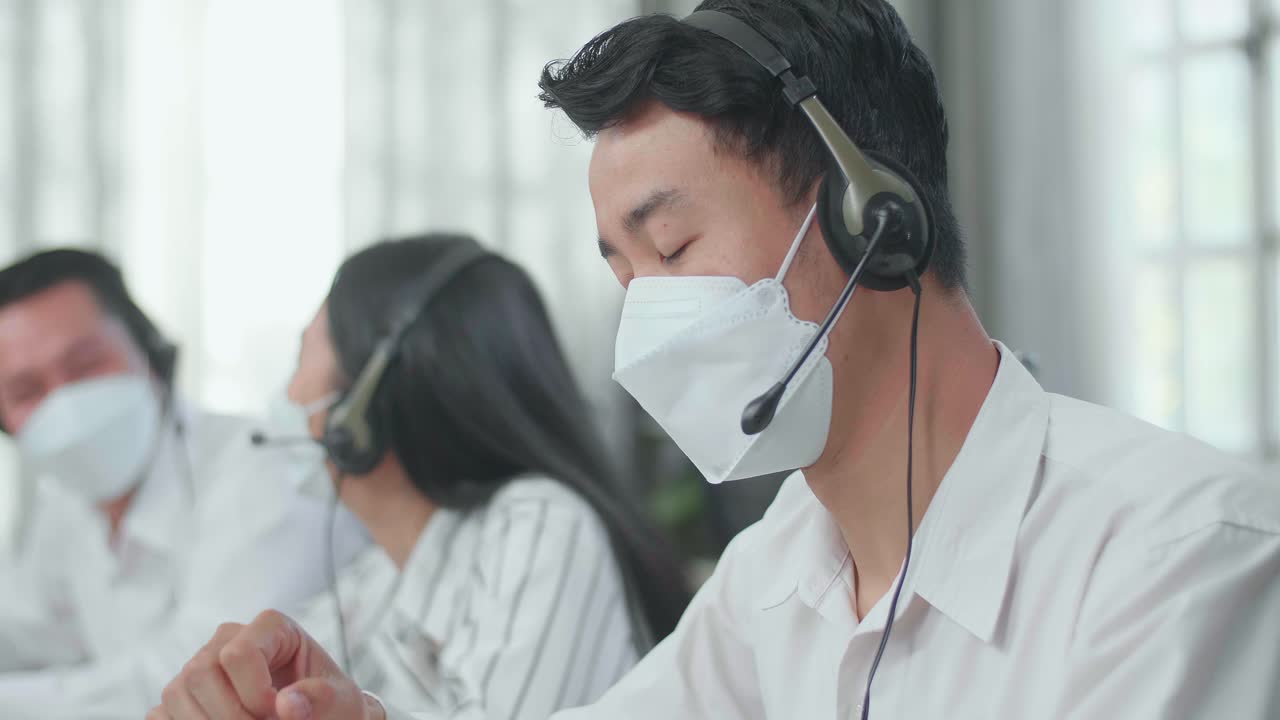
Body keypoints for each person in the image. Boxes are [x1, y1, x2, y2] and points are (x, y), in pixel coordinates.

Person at [150, 2, 1280, 719]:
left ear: (868, 218)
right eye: (620, 269)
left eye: (673, 245)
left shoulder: (1181, 557)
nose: (644, 312)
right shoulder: (774, 575)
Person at [149, 234, 690, 720]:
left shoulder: (540, 521)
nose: (287, 396)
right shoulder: (370, 582)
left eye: (300, 360)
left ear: (360, 406)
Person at [0, 248, 367, 719]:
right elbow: (27, 629)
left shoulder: (264, 468)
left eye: (86, 365)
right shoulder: (67, 503)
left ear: (149, 353)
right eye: (27, 392)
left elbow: (193, 686)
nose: (65, 405)